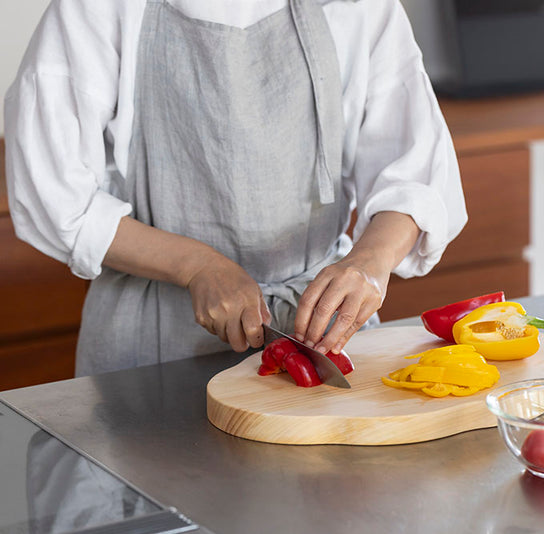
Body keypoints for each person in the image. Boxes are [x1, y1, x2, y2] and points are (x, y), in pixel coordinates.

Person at [4, 0, 467, 375]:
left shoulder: (362, 7)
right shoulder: (95, 8)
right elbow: (56, 197)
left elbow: (415, 174)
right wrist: (195, 265)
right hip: (153, 347)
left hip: (321, 334)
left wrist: (370, 262)